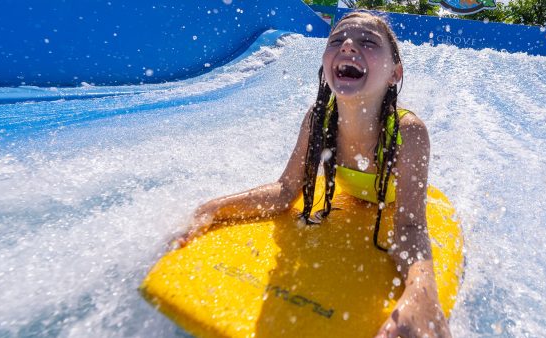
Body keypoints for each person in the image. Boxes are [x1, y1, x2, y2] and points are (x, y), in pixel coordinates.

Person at [172, 11, 451, 338]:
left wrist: (421, 293)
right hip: (352, 198)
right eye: (336, 40)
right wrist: (214, 208)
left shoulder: (408, 132)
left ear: (394, 73)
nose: (347, 45)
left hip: (390, 203)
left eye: (367, 42)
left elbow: (410, 225)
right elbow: (285, 190)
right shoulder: (319, 119)